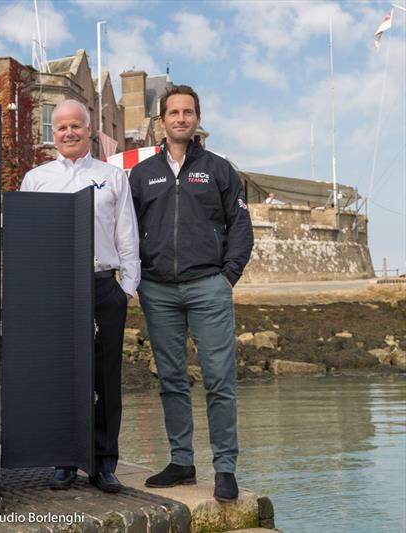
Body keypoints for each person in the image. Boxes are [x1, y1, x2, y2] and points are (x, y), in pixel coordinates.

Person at [128, 85, 253, 502]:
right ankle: (182, 461)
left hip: (208, 287)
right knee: (172, 380)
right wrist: (138, 277)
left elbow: (240, 227)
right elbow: (127, 230)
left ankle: (225, 467)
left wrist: (227, 277)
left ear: (197, 119)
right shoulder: (143, 174)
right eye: (173, 112)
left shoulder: (219, 169)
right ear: (161, 121)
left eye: (188, 112)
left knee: (219, 379)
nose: (181, 118)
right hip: (158, 289)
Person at [21, 99, 139, 493]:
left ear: (89, 129)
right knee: (61, 375)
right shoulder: (36, 179)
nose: (69, 133)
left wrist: (127, 287)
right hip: (56, 288)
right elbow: (29, 240)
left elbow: (127, 232)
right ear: (51, 133)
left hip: (104, 284)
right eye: (61, 128)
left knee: (106, 378)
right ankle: (64, 459)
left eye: (76, 126)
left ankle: (104, 463)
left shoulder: (113, 176)